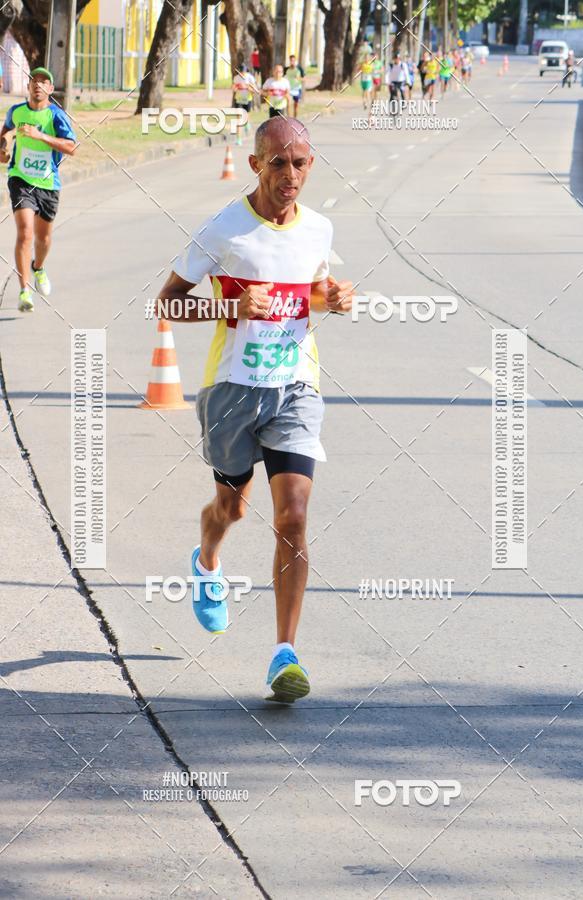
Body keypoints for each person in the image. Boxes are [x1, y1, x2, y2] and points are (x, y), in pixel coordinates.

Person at [156, 117, 354, 703]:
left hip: (296, 386)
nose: (289, 175)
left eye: (300, 164)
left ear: (311, 166)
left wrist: (334, 298)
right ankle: (208, 558)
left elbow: (312, 290)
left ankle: (284, 654)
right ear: (254, 165)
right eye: (277, 163)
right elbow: (165, 305)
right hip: (232, 390)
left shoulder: (318, 228)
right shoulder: (224, 230)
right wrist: (235, 304)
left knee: (293, 515)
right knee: (231, 507)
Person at [0, 67, 76, 313]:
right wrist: (3, 149)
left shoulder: (56, 116)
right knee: (25, 233)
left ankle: (39, 267)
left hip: (47, 183)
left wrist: (40, 136)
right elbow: (4, 135)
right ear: (29, 86)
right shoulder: (16, 112)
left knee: (43, 239)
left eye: (44, 82)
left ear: (50, 90)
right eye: (35, 80)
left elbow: (71, 147)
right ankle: (24, 290)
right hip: (20, 178)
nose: (38, 85)